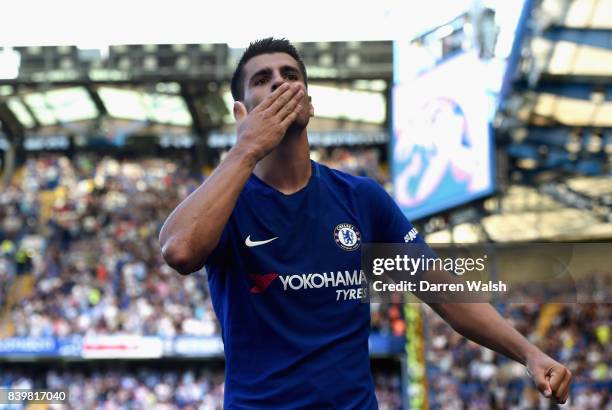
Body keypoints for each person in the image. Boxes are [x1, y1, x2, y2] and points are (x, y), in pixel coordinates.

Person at [159, 38, 572, 409]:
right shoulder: (224, 200)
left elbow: (442, 291)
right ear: (241, 111)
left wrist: (529, 353)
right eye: (263, 79)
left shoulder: (361, 198)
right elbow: (179, 251)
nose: (280, 84)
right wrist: (246, 147)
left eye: (291, 75)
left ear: (309, 101)